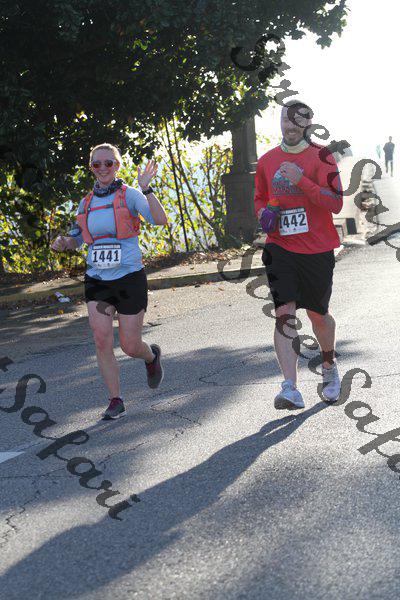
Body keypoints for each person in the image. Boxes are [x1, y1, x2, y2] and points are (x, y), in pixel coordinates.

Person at [51, 143, 168, 420]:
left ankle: (151, 356)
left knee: (130, 345)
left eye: (109, 163)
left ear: (117, 166)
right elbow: (77, 237)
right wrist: (64, 242)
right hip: (97, 280)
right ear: (91, 168)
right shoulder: (86, 202)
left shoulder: (131, 195)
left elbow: (160, 220)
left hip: (129, 279)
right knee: (101, 339)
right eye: (97, 164)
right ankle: (115, 400)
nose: (103, 168)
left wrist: (147, 189)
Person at [255, 100, 343, 409]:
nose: (290, 126)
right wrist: (263, 213)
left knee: (318, 314)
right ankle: (289, 387)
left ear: (308, 124)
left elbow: (335, 203)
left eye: (297, 121)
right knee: (284, 312)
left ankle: (329, 366)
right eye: (286, 120)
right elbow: (259, 198)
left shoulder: (323, 157)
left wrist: (301, 181)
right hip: (279, 247)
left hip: (317, 248)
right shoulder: (267, 161)